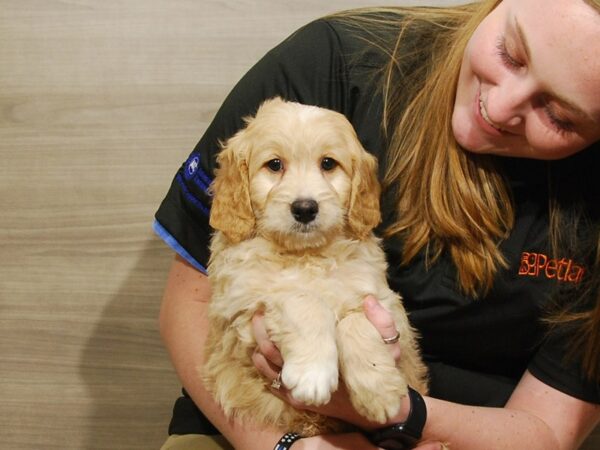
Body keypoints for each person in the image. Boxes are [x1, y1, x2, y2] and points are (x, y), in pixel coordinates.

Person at [154, 0, 600, 448]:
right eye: (510, 52)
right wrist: (285, 444)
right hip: (247, 423)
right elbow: (189, 301)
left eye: (558, 115)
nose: (500, 108)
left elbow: (546, 431)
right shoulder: (333, 62)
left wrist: (401, 413)